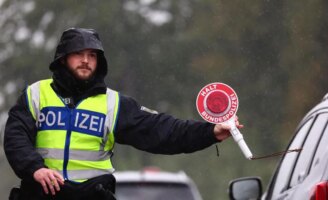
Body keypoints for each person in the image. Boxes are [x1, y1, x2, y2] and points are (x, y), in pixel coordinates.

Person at [4, 27, 242, 200]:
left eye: (92, 55)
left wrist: (211, 132)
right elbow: (15, 137)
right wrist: (36, 168)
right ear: (63, 58)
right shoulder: (35, 94)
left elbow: (163, 131)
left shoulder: (114, 103)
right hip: (42, 194)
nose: (86, 61)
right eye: (79, 54)